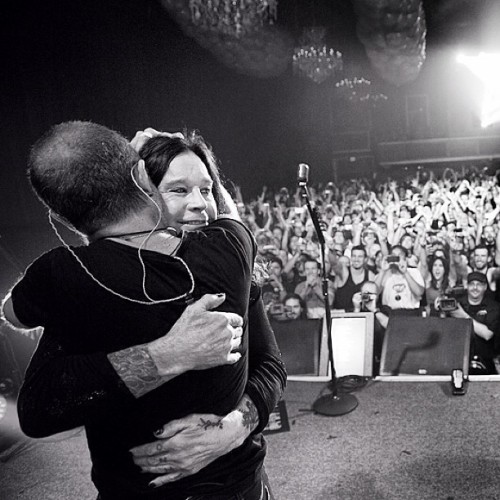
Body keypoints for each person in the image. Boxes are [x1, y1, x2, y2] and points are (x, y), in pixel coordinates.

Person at [2, 122, 286, 499]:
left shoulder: (66, 278)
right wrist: (168, 354)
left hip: (242, 482)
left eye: (206, 188)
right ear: (143, 186)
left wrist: (233, 428)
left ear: (61, 220)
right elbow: (41, 407)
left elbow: (271, 365)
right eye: (178, 190)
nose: (201, 203)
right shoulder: (226, 252)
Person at [449, 271, 500, 375]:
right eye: (472, 284)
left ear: (485, 287)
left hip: (485, 362)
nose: (475, 288)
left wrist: (464, 316)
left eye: (479, 284)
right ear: (467, 286)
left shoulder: (493, 307)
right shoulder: (457, 304)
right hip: (459, 361)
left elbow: (487, 334)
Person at [375, 245, 425, 313]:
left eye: (400, 255)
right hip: (390, 313)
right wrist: (383, 271)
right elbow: (373, 293)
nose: (397, 258)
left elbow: (419, 292)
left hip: (411, 312)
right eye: (394, 255)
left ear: (405, 258)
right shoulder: (384, 274)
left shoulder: (414, 272)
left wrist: (405, 273)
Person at [331, 245, 375, 312]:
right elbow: (334, 263)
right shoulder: (344, 272)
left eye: (360, 256)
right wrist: (329, 250)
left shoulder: (370, 275)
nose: (356, 259)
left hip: (361, 316)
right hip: (341, 316)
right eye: (354, 256)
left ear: (365, 259)